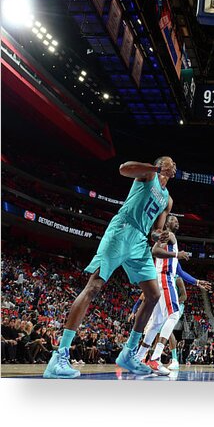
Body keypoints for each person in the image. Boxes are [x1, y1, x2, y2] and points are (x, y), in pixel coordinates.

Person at [43, 157, 176, 379]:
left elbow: (155, 230)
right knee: (94, 286)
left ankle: (128, 353)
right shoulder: (149, 175)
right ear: (161, 164)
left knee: (153, 295)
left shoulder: (167, 200)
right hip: (122, 230)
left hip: (140, 241)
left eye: (174, 166)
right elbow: (124, 169)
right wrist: (155, 168)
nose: (174, 166)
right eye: (169, 162)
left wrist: (158, 236)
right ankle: (59, 356)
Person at [134, 215, 211, 375]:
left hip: (161, 278)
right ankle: (154, 359)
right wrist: (177, 255)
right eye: (173, 219)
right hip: (164, 278)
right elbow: (154, 250)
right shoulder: (168, 235)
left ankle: (139, 358)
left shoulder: (171, 242)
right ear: (166, 223)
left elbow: (179, 271)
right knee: (174, 315)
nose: (176, 222)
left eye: (177, 220)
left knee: (157, 322)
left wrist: (197, 282)